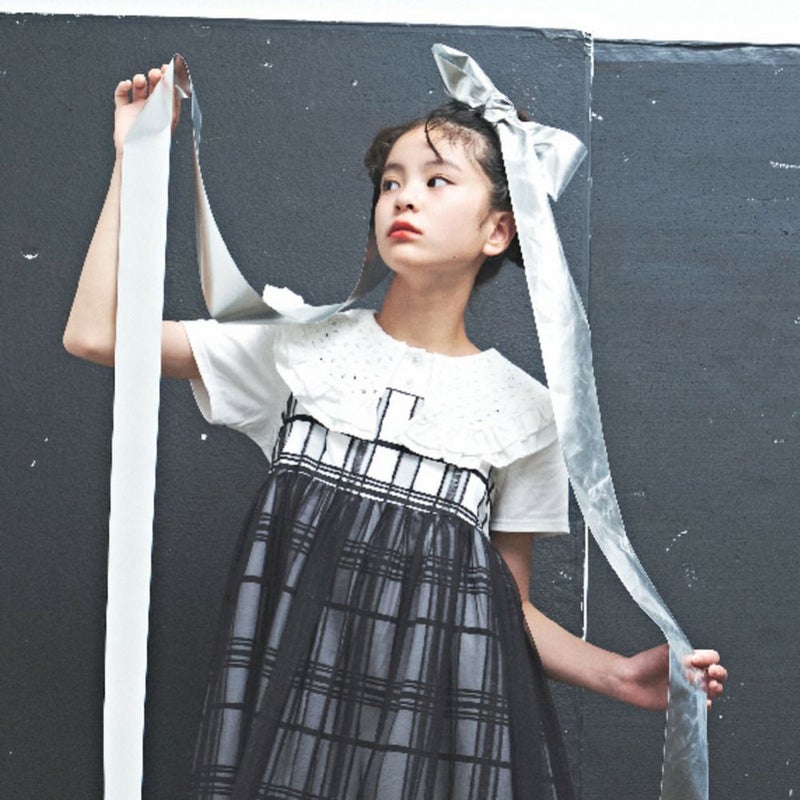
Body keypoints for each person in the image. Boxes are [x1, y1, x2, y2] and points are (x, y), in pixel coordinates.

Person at [64, 66, 727, 800]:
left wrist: (618, 675)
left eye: (437, 181)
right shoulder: (299, 351)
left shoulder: (525, 414)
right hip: (290, 734)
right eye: (391, 183)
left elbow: (507, 610)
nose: (404, 197)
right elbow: (95, 333)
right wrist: (132, 158)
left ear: (499, 229)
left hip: (431, 750)